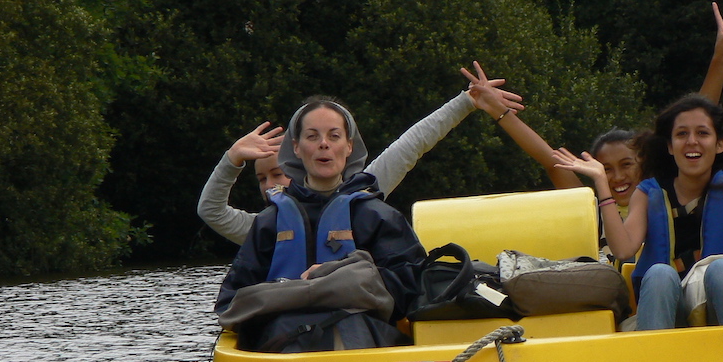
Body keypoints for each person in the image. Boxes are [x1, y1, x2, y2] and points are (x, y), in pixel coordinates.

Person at [460, 1, 723, 260]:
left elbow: (699, 116)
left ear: (643, 164)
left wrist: (720, 58)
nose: (617, 177)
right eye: (606, 169)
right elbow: (549, 160)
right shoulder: (592, 210)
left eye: (626, 165)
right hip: (615, 306)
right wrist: (496, 109)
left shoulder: (662, 193)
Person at [553, 94, 723, 330]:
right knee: (659, 274)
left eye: (703, 133)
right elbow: (624, 250)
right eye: (682, 134)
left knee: (721, 270)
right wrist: (602, 182)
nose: (692, 141)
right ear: (670, 146)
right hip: (675, 318)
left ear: (719, 144)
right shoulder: (648, 194)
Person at [214, 96, 428, 345]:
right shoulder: (268, 223)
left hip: (360, 337)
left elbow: (412, 288)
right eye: (312, 136)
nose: (323, 144)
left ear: (349, 147)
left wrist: (336, 278)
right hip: (282, 341)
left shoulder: (377, 216)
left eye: (334, 136)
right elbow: (230, 301)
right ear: (296, 147)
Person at [198, 83, 523, 245]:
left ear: (348, 147)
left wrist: (466, 102)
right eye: (262, 179)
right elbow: (211, 211)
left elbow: (411, 144)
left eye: (277, 175)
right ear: (298, 150)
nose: (270, 185)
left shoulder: (366, 186)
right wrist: (232, 160)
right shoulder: (265, 229)